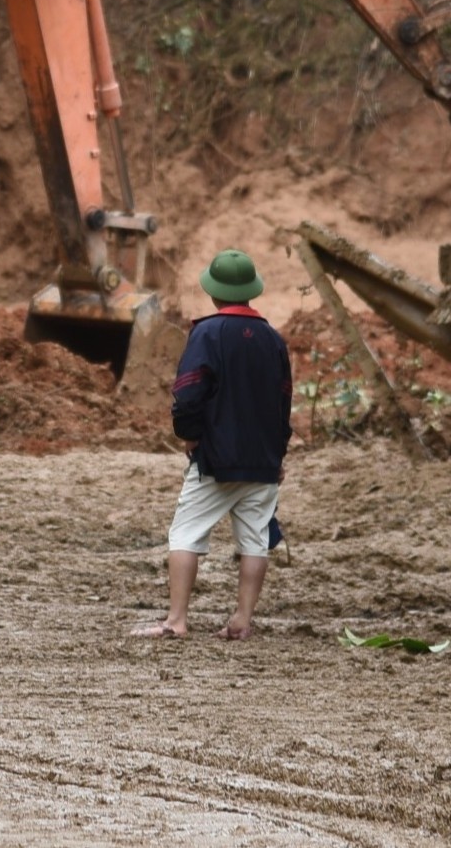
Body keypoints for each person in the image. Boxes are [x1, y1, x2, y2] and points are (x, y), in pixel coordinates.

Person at [133, 249, 292, 641]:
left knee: (185, 534)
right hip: (263, 462)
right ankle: (241, 620)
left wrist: (189, 434)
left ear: (214, 291)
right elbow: (283, 403)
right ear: (250, 291)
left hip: (216, 459)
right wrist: (278, 454)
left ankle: (176, 620)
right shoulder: (274, 339)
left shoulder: (206, 333)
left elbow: (188, 392)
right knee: (255, 539)